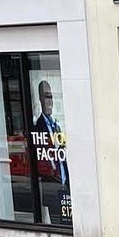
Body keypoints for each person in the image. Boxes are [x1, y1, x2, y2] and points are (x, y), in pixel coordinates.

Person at [30, 80, 70, 225]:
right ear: (40, 99)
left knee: (66, 219)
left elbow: (62, 151)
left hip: (63, 180)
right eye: (47, 97)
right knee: (59, 221)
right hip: (51, 181)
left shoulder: (56, 126)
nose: (50, 102)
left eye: (51, 97)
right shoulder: (38, 126)